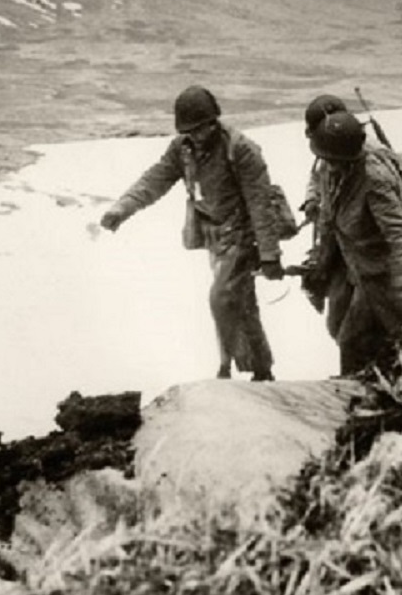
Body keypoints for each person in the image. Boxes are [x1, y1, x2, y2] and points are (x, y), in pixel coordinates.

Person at [99, 85, 287, 381]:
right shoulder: (182, 148)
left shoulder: (241, 150)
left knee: (221, 298)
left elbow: (260, 205)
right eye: (191, 131)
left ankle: (227, 369)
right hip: (214, 236)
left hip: (241, 234)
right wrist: (123, 208)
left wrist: (269, 254)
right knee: (239, 301)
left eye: (203, 128)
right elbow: (156, 179)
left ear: (214, 122)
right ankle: (260, 369)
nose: (197, 136)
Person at [308, 110, 402, 375]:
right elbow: (329, 218)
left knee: (353, 339)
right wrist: (320, 264)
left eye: (334, 161)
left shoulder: (374, 178)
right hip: (355, 265)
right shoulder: (329, 166)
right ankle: (380, 375)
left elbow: (399, 235)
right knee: (337, 326)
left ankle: (357, 391)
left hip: (381, 273)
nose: (328, 166)